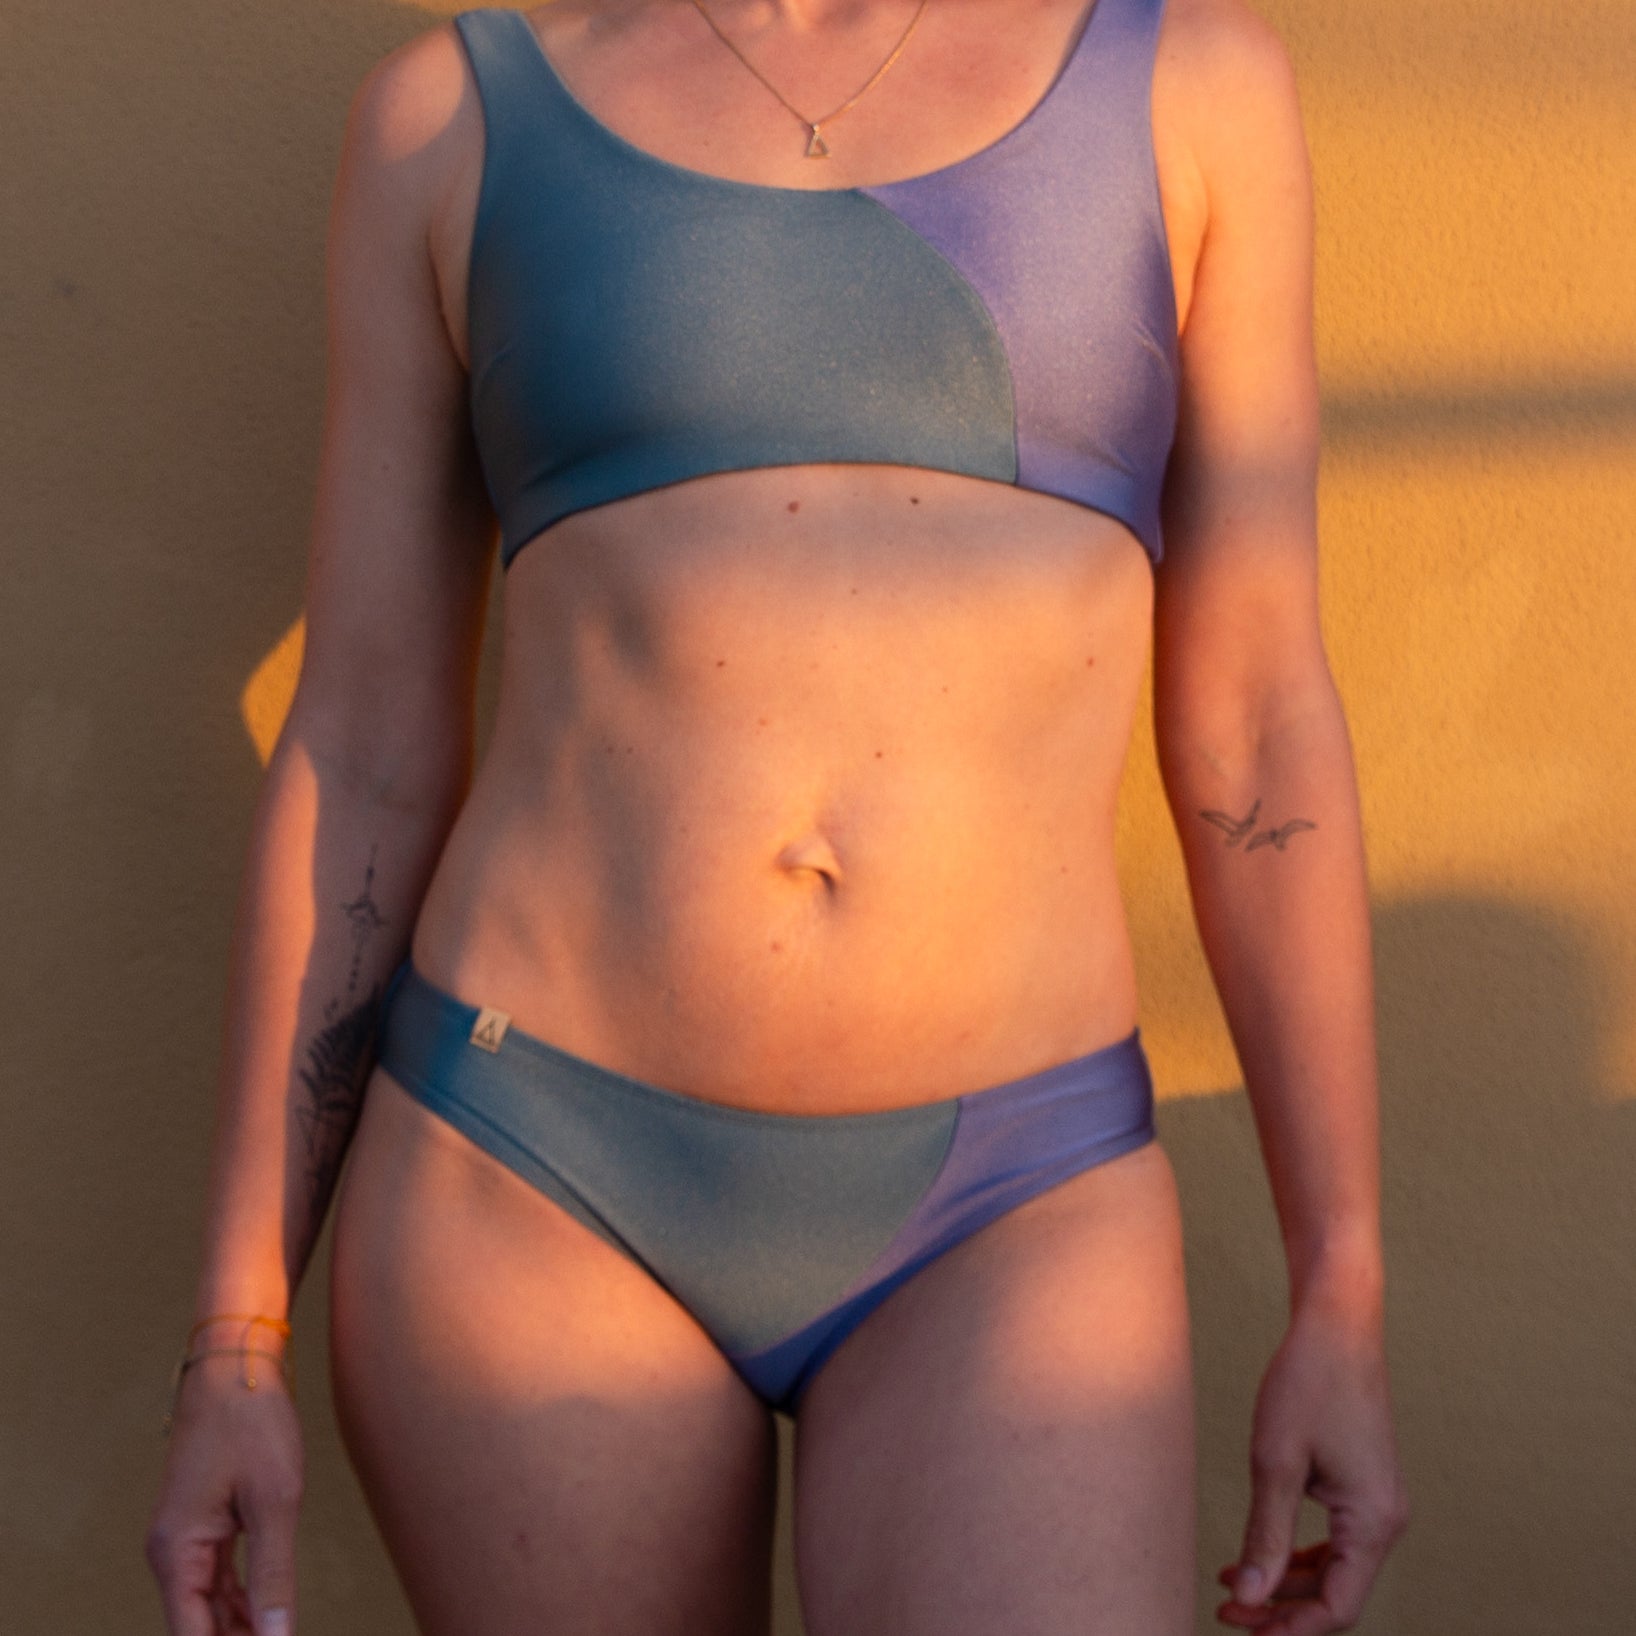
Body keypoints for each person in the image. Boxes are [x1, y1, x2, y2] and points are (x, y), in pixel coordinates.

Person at [145, 0, 1408, 1631]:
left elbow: (1256, 724)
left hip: (1017, 1190)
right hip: (533, 1166)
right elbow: (366, 744)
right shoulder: (449, 120)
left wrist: (1343, 1287)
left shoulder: (1189, 89)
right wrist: (235, 1337)